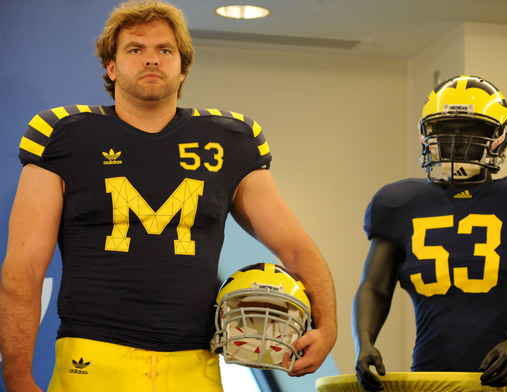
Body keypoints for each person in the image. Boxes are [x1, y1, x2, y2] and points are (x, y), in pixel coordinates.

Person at [0, 1, 337, 391]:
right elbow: (23, 269)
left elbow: (295, 247)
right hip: (91, 357)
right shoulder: (62, 135)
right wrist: (18, 376)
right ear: (111, 67)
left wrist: (327, 326)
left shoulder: (231, 141)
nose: (151, 60)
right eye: (135, 49)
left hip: (194, 363)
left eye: (165, 50)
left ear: (183, 69)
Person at [352, 75, 507, 390]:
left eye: (473, 130)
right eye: (445, 130)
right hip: (427, 381)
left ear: (500, 136)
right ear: (426, 135)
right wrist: (364, 341)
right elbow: (375, 288)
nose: (458, 141)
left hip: (500, 382)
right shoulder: (400, 203)